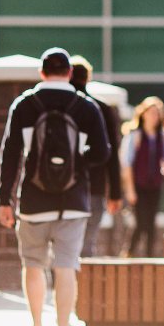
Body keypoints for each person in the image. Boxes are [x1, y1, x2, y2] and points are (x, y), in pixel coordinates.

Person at [0, 47, 112, 326]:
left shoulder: (25, 104)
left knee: (33, 265)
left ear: (42, 72)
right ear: (70, 74)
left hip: (33, 201)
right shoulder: (86, 106)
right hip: (74, 202)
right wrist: (75, 164)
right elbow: (103, 153)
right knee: (66, 268)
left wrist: (4, 198)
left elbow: (10, 154)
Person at [70, 56, 124, 257]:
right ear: (88, 78)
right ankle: (82, 285)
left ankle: (61, 284)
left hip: (64, 185)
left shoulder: (61, 106)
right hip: (95, 185)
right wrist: (115, 192)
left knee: (64, 243)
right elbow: (112, 153)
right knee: (87, 242)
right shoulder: (102, 108)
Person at [119, 96, 164, 258]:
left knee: (151, 223)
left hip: (155, 184)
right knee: (141, 222)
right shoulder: (135, 135)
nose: (153, 117)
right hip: (138, 185)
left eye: (157, 114)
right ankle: (129, 252)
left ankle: (150, 256)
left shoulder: (162, 137)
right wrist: (129, 190)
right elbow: (127, 163)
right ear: (143, 114)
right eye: (150, 113)